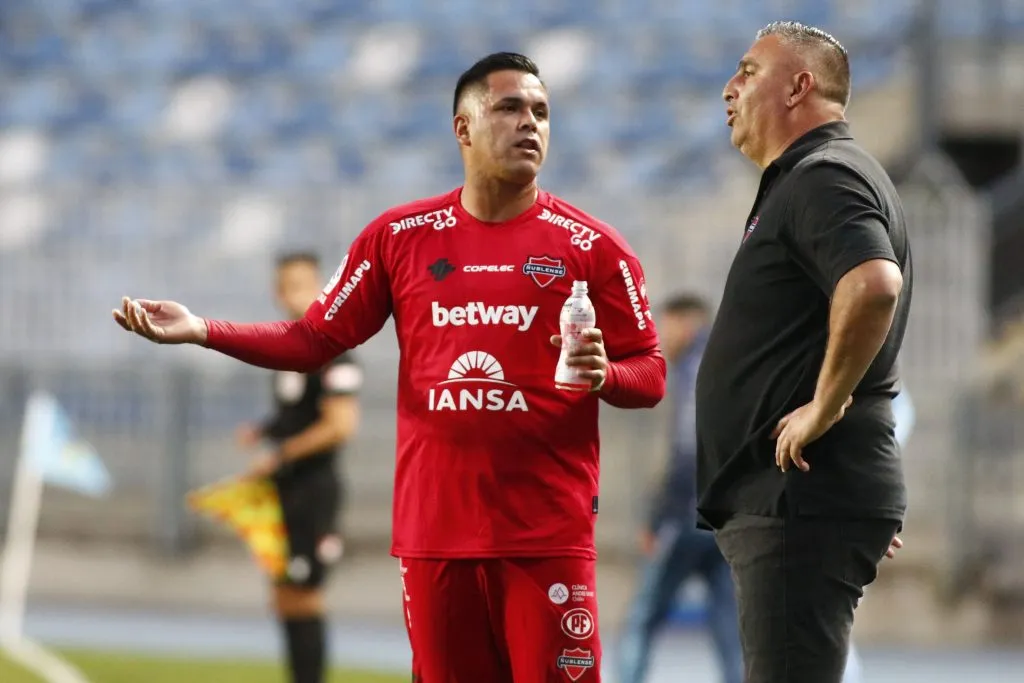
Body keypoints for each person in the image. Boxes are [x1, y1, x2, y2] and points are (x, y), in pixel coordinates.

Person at [112, 52, 666, 683]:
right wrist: (204, 329)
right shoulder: (399, 237)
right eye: (509, 107)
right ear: (463, 128)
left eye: (541, 111)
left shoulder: (594, 247)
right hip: (435, 535)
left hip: (545, 537)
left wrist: (607, 376)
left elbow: (649, 372)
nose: (530, 124)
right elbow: (313, 337)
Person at [695, 21, 913, 683]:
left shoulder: (823, 175)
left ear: (799, 86)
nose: (729, 90)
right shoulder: (813, 177)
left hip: (797, 497)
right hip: (806, 497)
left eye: (748, 72)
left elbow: (874, 284)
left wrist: (826, 408)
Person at [232, 252, 361, 683]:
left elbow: (339, 426)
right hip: (285, 490)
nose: (295, 294)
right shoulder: (287, 349)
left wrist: (281, 454)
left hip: (314, 492)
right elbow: (296, 413)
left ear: (321, 287)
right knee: (284, 595)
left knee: (304, 596)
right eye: (287, 285)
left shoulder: (334, 354)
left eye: (304, 283)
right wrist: (264, 430)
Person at [616, 293, 743, 683]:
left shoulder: (693, 369)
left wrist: (659, 518)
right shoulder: (732, 362)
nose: (660, 337)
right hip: (726, 520)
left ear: (687, 323)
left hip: (685, 517)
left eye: (664, 326)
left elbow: (690, 449)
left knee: (642, 618)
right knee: (728, 624)